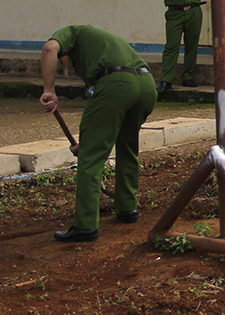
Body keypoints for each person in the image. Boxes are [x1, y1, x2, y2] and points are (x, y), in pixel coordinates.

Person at [39, 25, 158, 242]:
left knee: (91, 159)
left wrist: (49, 89)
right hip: (146, 85)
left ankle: (85, 226)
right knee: (128, 146)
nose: (70, 68)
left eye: (65, 63)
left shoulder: (73, 34)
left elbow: (49, 49)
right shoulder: (102, 44)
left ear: (66, 53)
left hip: (117, 83)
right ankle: (127, 208)